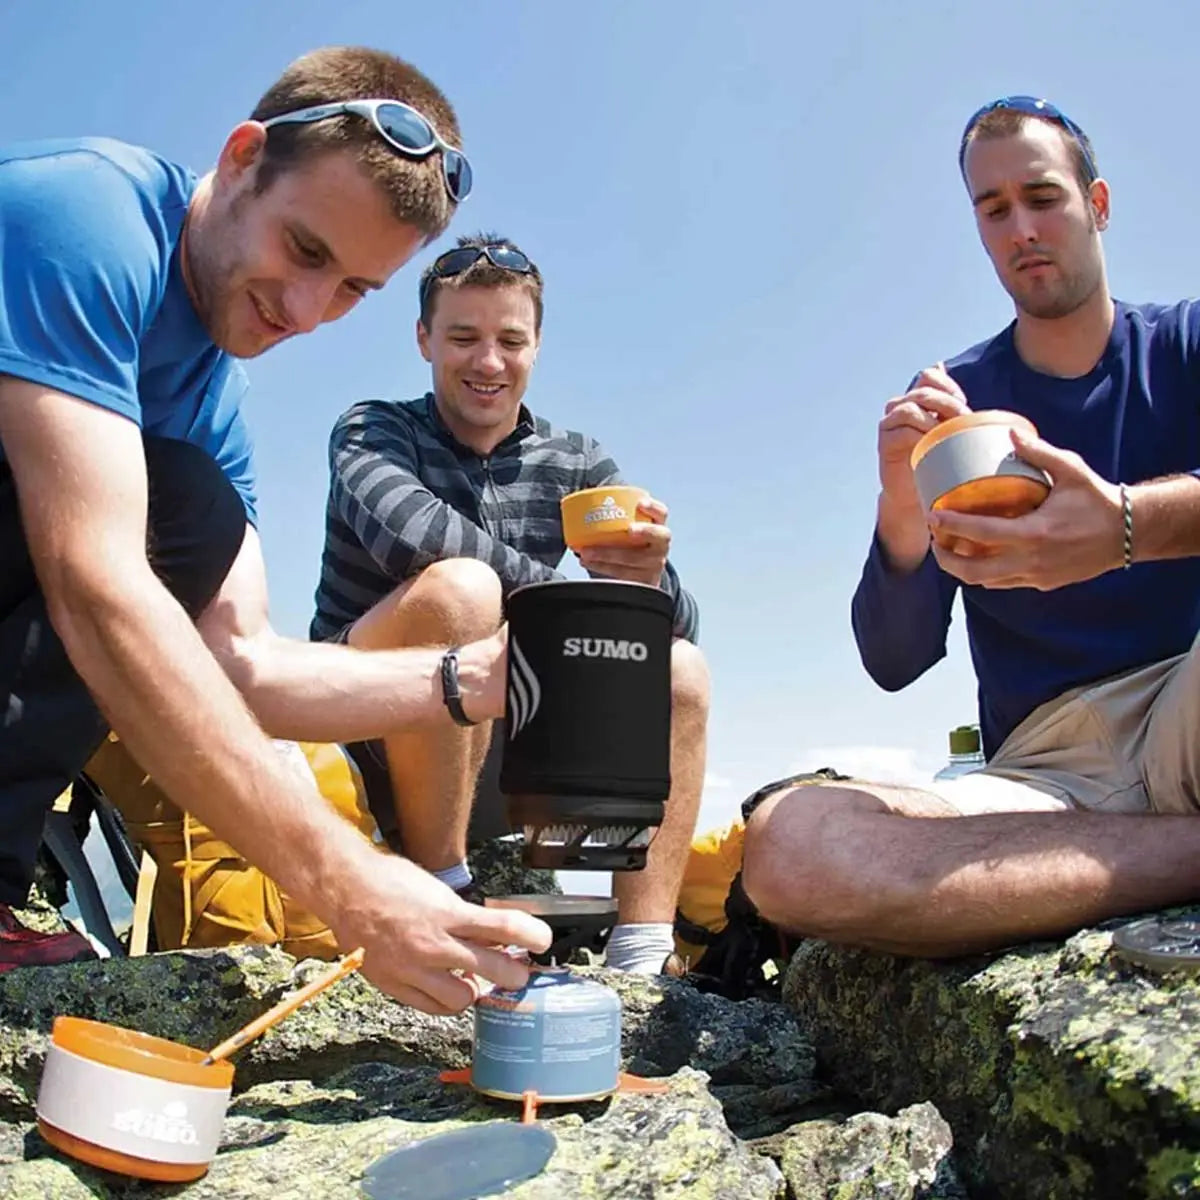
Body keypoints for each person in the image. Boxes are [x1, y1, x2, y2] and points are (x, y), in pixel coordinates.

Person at [0, 46, 551, 1003]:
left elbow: (244, 664)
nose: (304, 311)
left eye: (352, 290)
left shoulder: (212, 399)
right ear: (244, 157)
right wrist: (352, 888)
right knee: (177, 505)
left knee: (191, 510)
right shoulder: (81, 217)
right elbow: (95, 590)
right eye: (305, 250)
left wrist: (474, 680)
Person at [741, 95, 1200, 957]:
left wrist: (1127, 524)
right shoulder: (957, 403)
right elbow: (895, 661)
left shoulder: (1184, 344)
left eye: (1043, 197)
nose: (1021, 229)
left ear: (1097, 204)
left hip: (1189, 707)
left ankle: (1089, 873)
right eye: (994, 210)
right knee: (793, 848)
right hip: (1044, 775)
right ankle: (1179, 856)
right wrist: (900, 506)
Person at [312, 233, 710, 974]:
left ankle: (643, 950)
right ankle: (445, 890)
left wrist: (648, 580)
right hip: (360, 725)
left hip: (495, 743)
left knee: (679, 668)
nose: (489, 362)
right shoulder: (373, 429)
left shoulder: (578, 459)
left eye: (510, 341)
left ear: (537, 347)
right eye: (463, 338)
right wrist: (575, 603)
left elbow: (677, 623)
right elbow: (413, 540)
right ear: (424, 339)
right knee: (461, 591)